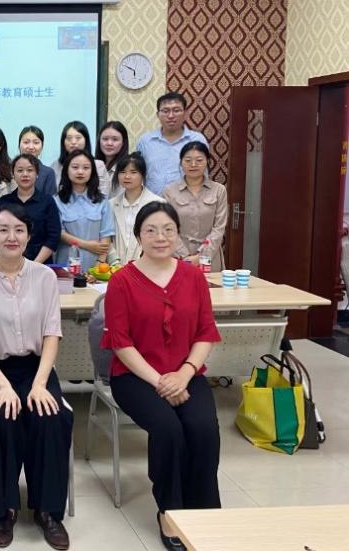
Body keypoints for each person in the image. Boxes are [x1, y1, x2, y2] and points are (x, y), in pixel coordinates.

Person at [101, 201, 222, 550]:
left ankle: (205, 512)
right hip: (135, 377)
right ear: (138, 236)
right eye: (151, 230)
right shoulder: (122, 281)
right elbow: (121, 344)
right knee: (168, 429)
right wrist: (161, 382)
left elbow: (205, 333)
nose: (160, 237)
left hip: (186, 373)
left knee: (203, 428)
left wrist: (184, 373)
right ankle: (170, 511)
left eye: (168, 230)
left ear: (177, 234)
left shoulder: (193, 277)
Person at [0, 203, 73, 551]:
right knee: (0, 417)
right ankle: (4, 510)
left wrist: (40, 384)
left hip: (36, 367)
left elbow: (52, 333)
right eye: (3, 229)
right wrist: (4, 386)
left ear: (28, 236)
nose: (11, 237)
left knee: (50, 416)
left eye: (19, 230)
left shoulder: (45, 277)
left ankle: (47, 510)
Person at [162, 142, 228, 272]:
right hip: (177, 255)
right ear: (181, 163)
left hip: (210, 254)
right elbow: (166, 226)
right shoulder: (169, 191)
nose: (193, 164)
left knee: (209, 285)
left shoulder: (219, 190)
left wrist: (201, 256)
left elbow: (219, 228)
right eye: (188, 160)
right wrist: (185, 255)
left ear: (207, 161)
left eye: (199, 160)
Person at [136, 92, 208, 196]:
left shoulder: (197, 140)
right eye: (165, 111)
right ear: (158, 115)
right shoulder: (145, 141)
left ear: (185, 114)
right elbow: (138, 174)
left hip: (187, 202)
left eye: (176, 110)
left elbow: (204, 174)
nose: (171, 116)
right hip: (151, 202)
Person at [55, 149, 114, 271]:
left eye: (86, 168)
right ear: (66, 170)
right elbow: (59, 233)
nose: (80, 172)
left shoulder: (102, 202)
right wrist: (87, 245)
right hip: (66, 266)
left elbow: (106, 235)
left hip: (94, 266)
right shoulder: (57, 201)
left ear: (92, 171)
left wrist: (99, 265)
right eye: (75, 167)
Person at [0, 154, 61, 264]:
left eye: (30, 170)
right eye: (20, 170)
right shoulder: (4, 202)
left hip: (42, 264)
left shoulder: (47, 201)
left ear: (37, 174)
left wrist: (34, 265)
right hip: (10, 263)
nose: (25, 174)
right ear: (13, 174)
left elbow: (53, 236)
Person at [108, 153, 164, 265]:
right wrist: (115, 263)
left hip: (147, 267)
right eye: (122, 172)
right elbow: (106, 239)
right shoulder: (111, 204)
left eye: (133, 172)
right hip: (115, 268)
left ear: (143, 174)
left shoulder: (158, 204)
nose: (127, 176)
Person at [49, 120, 110, 198]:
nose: (73, 142)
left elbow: (104, 195)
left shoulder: (98, 165)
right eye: (69, 138)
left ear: (86, 140)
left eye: (78, 138)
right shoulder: (55, 165)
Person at [18, 125, 58, 196]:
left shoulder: (48, 173)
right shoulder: (9, 171)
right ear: (19, 145)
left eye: (36, 143)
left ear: (42, 147)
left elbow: (49, 200)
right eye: (26, 142)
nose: (31, 147)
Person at [96, 121, 130, 198]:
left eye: (115, 139)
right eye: (105, 139)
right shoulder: (92, 165)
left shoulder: (128, 168)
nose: (109, 143)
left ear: (123, 142)